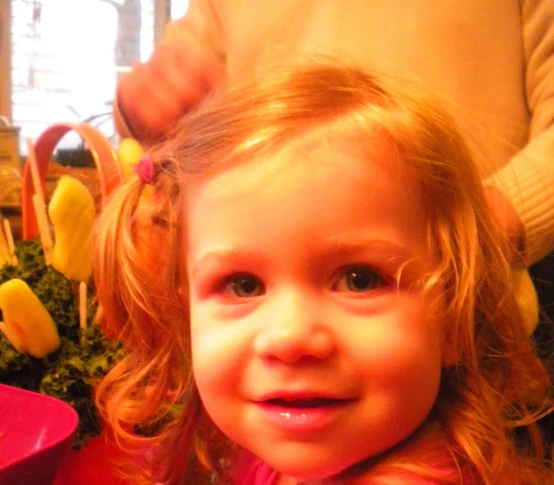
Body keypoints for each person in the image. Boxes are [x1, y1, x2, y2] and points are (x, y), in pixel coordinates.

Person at [79, 61, 554, 485]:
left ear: (454, 317)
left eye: (359, 278)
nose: (292, 337)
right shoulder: (321, 452)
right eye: (242, 284)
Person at [114, 0, 554, 284]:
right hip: (259, 293)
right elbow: (176, 83)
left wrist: (473, 239)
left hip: (485, 307)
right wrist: (144, 108)